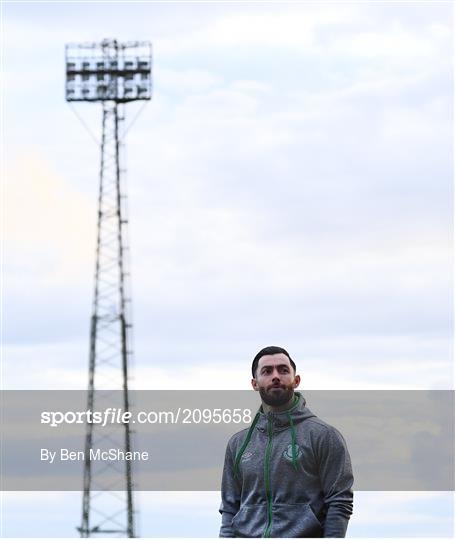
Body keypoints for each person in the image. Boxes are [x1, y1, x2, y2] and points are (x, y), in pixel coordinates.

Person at [219, 346, 353, 538]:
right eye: (267, 371)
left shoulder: (324, 436)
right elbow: (230, 508)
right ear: (254, 383)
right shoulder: (238, 444)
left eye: (283, 370)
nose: (276, 376)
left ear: (296, 380)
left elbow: (339, 502)